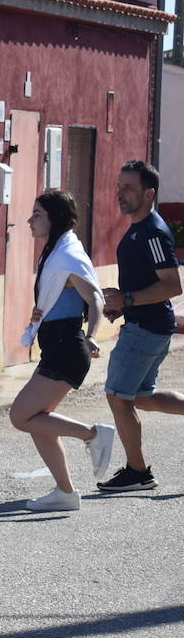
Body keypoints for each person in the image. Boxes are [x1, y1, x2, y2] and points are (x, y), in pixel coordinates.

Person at [9, 191, 114, 511]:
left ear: (53, 218)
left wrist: (92, 336)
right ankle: (65, 493)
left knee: (20, 416)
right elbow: (57, 298)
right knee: (37, 420)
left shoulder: (67, 255)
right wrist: (42, 313)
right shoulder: (56, 251)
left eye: (37, 213)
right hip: (55, 347)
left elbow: (95, 298)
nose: (30, 220)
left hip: (68, 350)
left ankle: (93, 435)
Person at [98, 159, 184, 492]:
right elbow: (149, 282)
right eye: (119, 186)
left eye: (129, 187)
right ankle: (138, 471)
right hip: (146, 323)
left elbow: (172, 285)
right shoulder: (138, 228)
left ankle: (138, 472)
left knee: (118, 398)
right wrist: (122, 306)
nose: (120, 193)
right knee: (141, 397)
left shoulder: (152, 232)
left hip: (146, 328)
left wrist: (128, 300)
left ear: (148, 193)